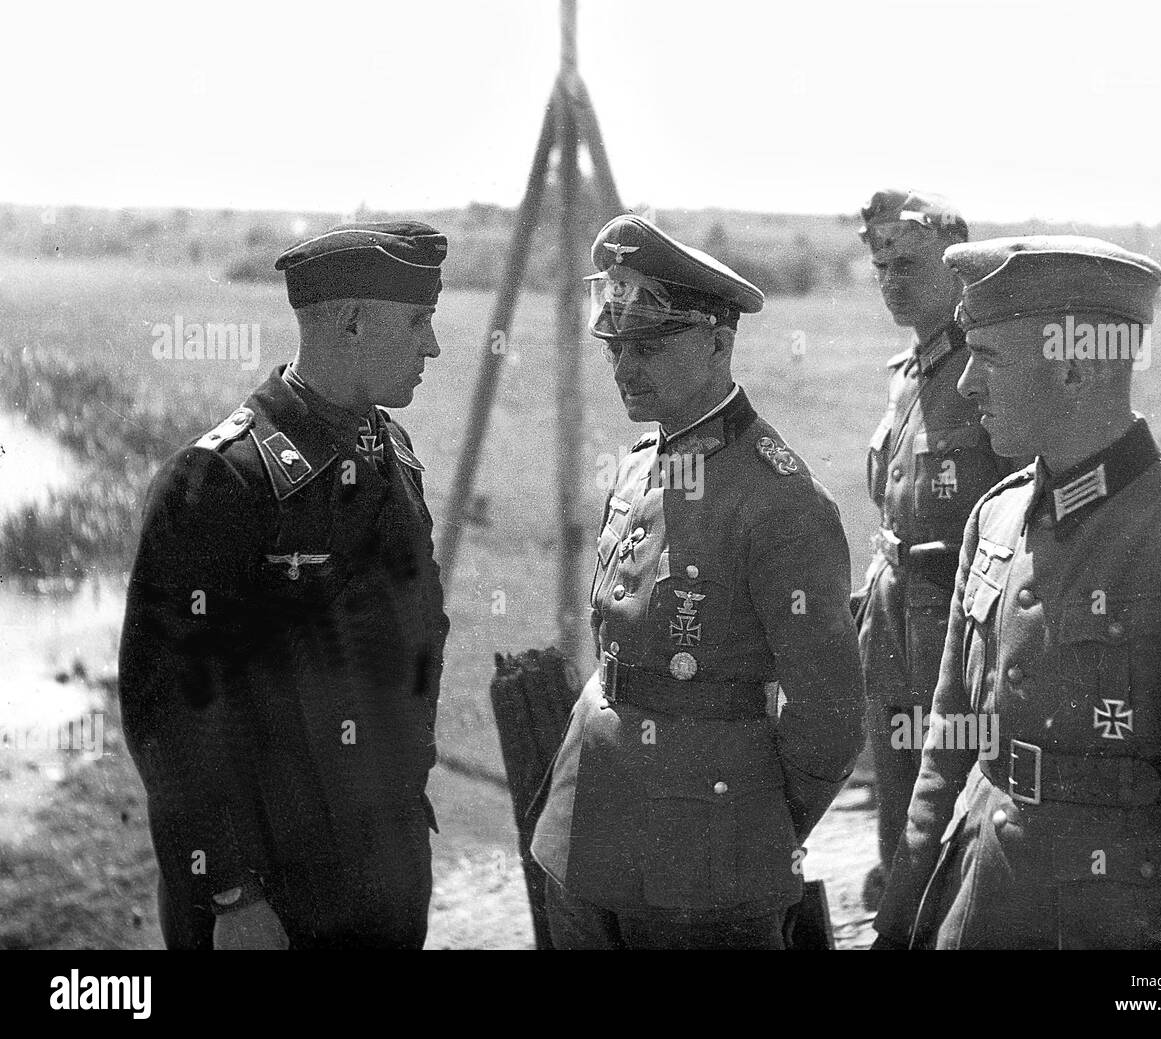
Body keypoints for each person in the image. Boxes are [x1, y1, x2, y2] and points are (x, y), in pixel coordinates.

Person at [873, 235, 1161, 949]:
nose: (966, 383)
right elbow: (950, 743)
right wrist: (901, 914)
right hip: (976, 902)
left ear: (1074, 365)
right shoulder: (996, 516)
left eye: (990, 357)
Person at [530, 215, 865, 949]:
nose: (623, 366)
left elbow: (832, 716)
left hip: (708, 864)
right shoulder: (642, 460)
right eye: (617, 345)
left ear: (718, 342)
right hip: (584, 836)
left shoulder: (781, 501)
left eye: (648, 346)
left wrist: (752, 819)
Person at [118, 221, 451, 949]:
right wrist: (231, 894)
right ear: (353, 322)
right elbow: (169, 709)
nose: (433, 345)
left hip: (385, 872)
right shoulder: (220, 479)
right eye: (419, 321)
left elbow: (417, 642)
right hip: (271, 899)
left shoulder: (393, 451)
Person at [852, 190, 1017, 909]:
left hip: (955, 604)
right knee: (894, 772)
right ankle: (900, 905)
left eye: (909, 263)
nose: (891, 278)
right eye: (881, 263)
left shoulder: (982, 371)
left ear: (956, 269)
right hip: (894, 598)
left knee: (948, 770)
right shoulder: (906, 375)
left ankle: (941, 910)